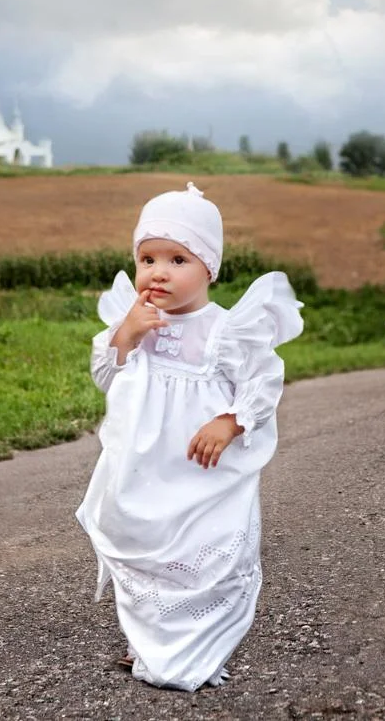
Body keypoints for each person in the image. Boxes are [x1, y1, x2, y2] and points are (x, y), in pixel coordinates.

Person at [75, 181, 304, 691]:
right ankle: (149, 638)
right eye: (147, 258)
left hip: (202, 465)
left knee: (208, 547)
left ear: (208, 268)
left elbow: (263, 382)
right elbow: (106, 376)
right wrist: (128, 335)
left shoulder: (227, 329)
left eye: (178, 259)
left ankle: (201, 642)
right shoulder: (131, 320)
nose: (158, 272)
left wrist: (231, 420)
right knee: (146, 542)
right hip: (145, 461)